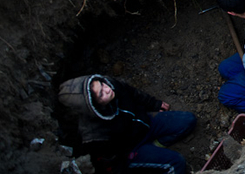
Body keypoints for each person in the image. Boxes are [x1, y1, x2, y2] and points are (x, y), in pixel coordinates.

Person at [58, 74, 196, 174]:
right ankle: (150, 158)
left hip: (144, 124)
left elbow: (134, 93)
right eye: (101, 94)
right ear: (93, 106)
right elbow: (110, 164)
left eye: (102, 85)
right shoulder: (94, 135)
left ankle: (156, 145)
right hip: (131, 150)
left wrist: (154, 104)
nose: (107, 89)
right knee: (177, 162)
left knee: (188, 120)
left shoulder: (111, 84)